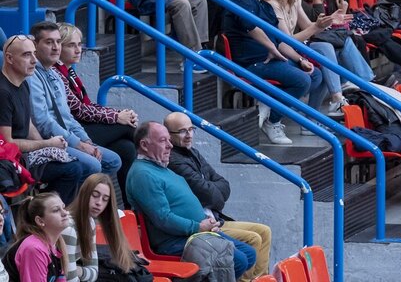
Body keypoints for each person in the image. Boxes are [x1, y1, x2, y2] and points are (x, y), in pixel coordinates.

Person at [126, 122, 256, 278]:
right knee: (238, 260)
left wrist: (208, 224)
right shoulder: (143, 174)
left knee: (249, 253)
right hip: (173, 241)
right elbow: (163, 218)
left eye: (169, 140)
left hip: (195, 232)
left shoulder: (160, 167)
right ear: (144, 145)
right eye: (163, 141)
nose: (170, 146)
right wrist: (198, 227)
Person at [223, 0, 324, 145]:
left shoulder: (265, 6)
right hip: (251, 63)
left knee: (315, 74)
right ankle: (273, 121)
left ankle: (269, 100)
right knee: (302, 80)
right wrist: (271, 48)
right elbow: (251, 27)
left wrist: (300, 59)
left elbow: (280, 42)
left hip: (270, 60)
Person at [164, 113, 271, 282]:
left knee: (264, 231)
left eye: (191, 130)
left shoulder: (193, 152)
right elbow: (205, 192)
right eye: (183, 131)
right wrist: (215, 194)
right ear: (169, 134)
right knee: (253, 239)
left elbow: (223, 183)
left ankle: (260, 279)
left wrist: (214, 194)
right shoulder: (174, 160)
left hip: (216, 216)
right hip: (205, 224)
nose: (189, 135)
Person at [266, 0, 372, 114]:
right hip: (283, 52)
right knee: (327, 55)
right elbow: (286, 40)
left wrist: (330, 22)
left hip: (300, 47)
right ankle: (347, 94)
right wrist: (319, 25)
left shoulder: (294, 0)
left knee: (338, 45)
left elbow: (310, 27)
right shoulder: (272, 4)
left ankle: (364, 87)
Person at [54, 24, 138, 208]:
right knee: (128, 128)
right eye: (71, 45)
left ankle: (130, 209)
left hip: (83, 126)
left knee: (126, 148)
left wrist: (117, 114)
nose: (78, 49)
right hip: (73, 131)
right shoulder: (56, 74)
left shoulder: (70, 71)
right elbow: (79, 110)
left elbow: (88, 105)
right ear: (58, 47)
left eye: (80, 44)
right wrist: (117, 118)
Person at [28, 21, 121, 182]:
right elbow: (43, 122)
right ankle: (68, 204)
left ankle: (80, 200)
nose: (56, 47)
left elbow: (68, 116)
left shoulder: (56, 75)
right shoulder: (32, 76)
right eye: (49, 42)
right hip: (48, 141)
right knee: (93, 165)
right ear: (35, 46)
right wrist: (79, 144)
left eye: (58, 42)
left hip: (67, 136)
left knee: (113, 160)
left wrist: (86, 141)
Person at [0, 36, 81, 204]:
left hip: (25, 153)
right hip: (12, 160)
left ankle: (47, 212)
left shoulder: (23, 84)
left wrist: (48, 148)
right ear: (9, 58)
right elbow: (8, 144)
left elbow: (28, 125)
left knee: (73, 161)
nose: (34, 60)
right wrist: (47, 144)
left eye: (34, 54)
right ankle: (43, 214)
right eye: (26, 55)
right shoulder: (3, 93)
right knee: (73, 169)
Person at [61, 173, 137, 282]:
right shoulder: (68, 228)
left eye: (105, 199)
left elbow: (94, 273)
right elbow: (70, 279)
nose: (99, 203)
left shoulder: (90, 222)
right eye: (95, 195)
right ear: (84, 194)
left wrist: (79, 271)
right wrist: (79, 271)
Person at [10, 193, 68, 282]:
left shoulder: (56, 243)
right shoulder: (34, 248)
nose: (65, 213)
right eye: (56, 210)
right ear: (40, 221)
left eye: (63, 207)